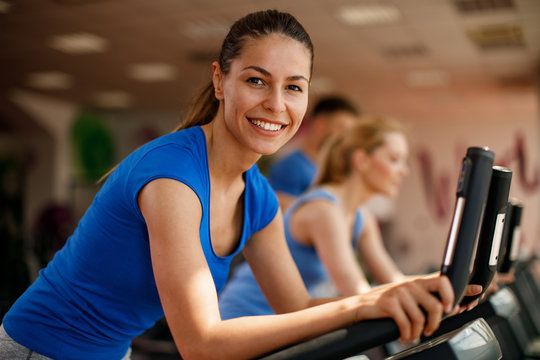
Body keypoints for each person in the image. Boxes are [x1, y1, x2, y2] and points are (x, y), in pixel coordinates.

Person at [0, 10, 477, 360]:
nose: (276, 104)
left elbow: (297, 307)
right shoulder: (174, 178)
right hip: (37, 349)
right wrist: (360, 305)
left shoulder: (258, 198)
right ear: (220, 81)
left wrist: (412, 291)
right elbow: (201, 343)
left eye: (293, 86)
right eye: (256, 80)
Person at [219, 116, 419, 318]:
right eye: (394, 160)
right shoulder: (323, 210)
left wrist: (440, 285)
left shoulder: (361, 216)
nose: (405, 171)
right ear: (362, 160)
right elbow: (357, 293)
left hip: (285, 323)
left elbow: (393, 280)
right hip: (247, 318)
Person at [268, 95, 360, 210]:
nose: (345, 137)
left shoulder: (325, 167)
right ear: (320, 124)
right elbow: (278, 205)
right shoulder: (292, 166)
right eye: (342, 128)